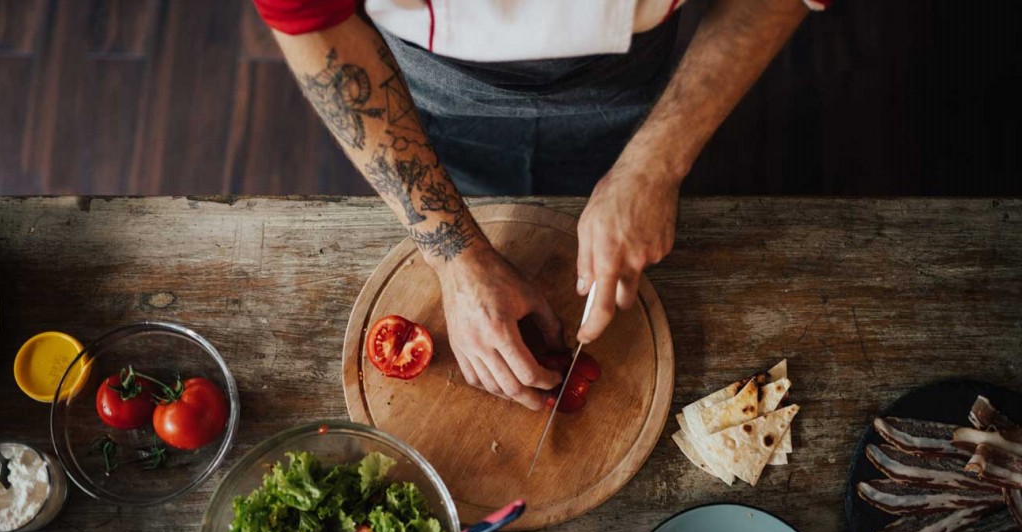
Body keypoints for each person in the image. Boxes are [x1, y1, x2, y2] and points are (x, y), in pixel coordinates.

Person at [253, 0, 828, 410]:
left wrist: (656, 162)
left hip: (629, 63)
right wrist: (455, 256)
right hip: (426, 79)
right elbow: (310, 20)